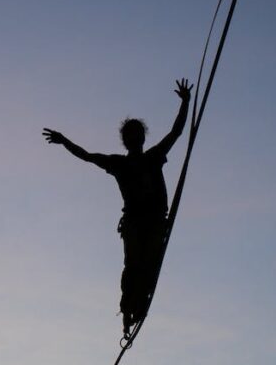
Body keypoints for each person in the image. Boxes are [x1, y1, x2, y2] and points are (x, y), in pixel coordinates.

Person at [43, 79, 192, 337]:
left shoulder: (153, 157)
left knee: (145, 265)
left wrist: (186, 103)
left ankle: (135, 307)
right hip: (136, 222)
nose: (135, 139)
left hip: (155, 220)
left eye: (137, 135)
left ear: (141, 138)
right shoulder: (120, 164)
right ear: (127, 140)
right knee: (134, 266)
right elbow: (87, 155)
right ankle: (127, 312)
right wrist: (64, 141)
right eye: (131, 136)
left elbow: (177, 132)